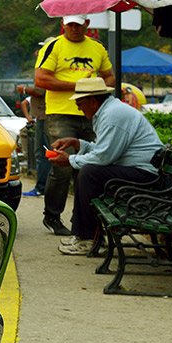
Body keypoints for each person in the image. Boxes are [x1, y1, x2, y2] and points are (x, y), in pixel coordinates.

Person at [47, 77, 163, 255]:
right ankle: (83, 234)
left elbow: (103, 157)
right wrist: (78, 144)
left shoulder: (112, 115)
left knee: (89, 173)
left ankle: (89, 238)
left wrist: (70, 160)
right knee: (88, 172)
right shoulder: (108, 111)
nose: (78, 107)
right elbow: (105, 150)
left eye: (80, 102)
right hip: (138, 169)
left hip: (145, 174)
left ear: (92, 101)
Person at [33, 15, 115, 235]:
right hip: (61, 113)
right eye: (70, 24)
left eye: (78, 24)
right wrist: (78, 86)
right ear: (63, 25)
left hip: (90, 113)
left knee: (87, 167)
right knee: (63, 164)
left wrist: (95, 90)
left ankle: (82, 218)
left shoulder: (97, 47)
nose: (74, 28)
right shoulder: (54, 46)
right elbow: (41, 79)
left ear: (86, 24)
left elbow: (110, 77)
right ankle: (52, 215)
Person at [18, 83, 49, 196]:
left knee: (42, 153)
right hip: (42, 116)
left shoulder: (45, 75)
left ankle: (41, 188)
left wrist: (25, 89)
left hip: (44, 116)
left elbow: (40, 91)